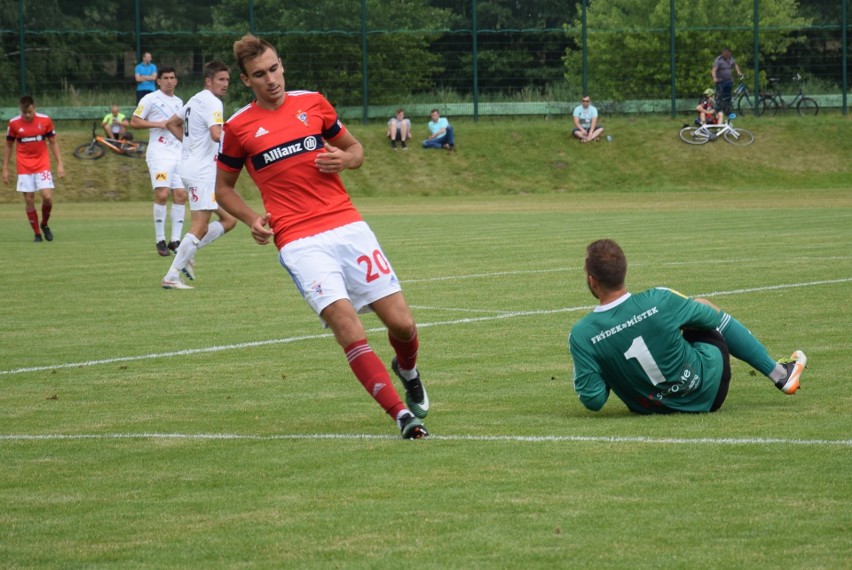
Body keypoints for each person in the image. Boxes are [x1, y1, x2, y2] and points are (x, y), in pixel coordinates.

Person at [214, 34, 430, 439]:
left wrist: (345, 159)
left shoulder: (313, 102)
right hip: (299, 240)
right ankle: (402, 415)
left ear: (282, 65)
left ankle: (408, 370)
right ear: (246, 80)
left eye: (275, 68)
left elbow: (357, 150)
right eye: (260, 74)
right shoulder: (238, 127)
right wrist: (251, 219)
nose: (271, 80)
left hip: (347, 225)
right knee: (347, 327)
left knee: (402, 324)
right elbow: (222, 188)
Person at [568, 239, 807, 414]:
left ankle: (780, 374)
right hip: (709, 391)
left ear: (592, 280)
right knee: (700, 307)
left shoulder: (582, 334)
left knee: (671, 324)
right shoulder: (659, 299)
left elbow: (594, 400)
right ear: (624, 272)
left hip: (651, 407)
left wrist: (609, 359)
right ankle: (779, 374)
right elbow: (710, 320)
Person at [160, 61, 236, 289]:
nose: (225, 84)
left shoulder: (195, 99)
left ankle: (186, 253)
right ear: (209, 81)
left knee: (229, 220)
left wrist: (189, 144)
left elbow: (171, 122)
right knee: (200, 225)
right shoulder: (213, 102)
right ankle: (172, 276)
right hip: (202, 172)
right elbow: (216, 134)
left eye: (227, 80)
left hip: (193, 168)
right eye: (221, 79)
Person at [131, 66, 188, 256]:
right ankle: (160, 240)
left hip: (178, 153)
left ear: (176, 80)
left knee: (181, 195)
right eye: (165, 78)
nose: (169, 81)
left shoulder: (180, 102)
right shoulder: (150, 99)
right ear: (159, 81)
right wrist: (159, 123)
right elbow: (135, 121)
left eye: (172, 77)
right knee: (163, 194)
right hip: (159, 153)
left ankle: (175, 240)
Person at [2, 95, 65, 242]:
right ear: (20, 110)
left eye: (30, 112)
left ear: (34, 107)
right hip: (24, 167)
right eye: (25, 113)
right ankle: (37, 234)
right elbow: (9, 146)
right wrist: (5, 169)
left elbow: (53, 142)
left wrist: (60, 163)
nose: (28, 115)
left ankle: (44, 224)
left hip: (42, 164)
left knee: (47, 197)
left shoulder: (45, 120)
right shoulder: (14, 123)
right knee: (29, 199)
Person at [711, 47, 743, 115]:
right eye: (725, 53)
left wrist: (738, 72)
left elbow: (735, 65)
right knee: (720, 96)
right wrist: (714, 78)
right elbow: (714, 69)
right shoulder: (718, 60)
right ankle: (718, 111)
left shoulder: (731, 58)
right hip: (721, 81)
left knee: (728, 96)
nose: (726, 55)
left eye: (728, 53)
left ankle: (728, 111)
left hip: (729, 81)